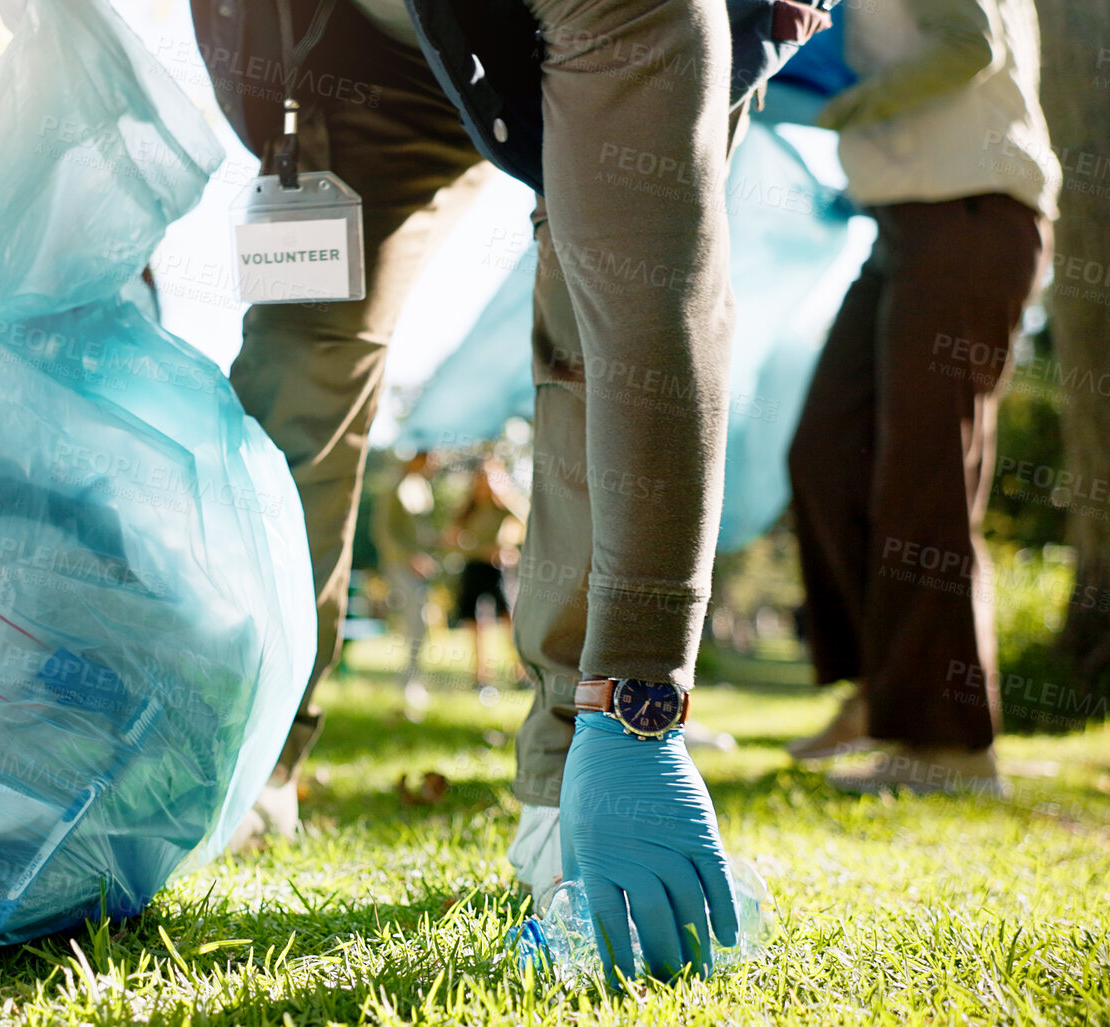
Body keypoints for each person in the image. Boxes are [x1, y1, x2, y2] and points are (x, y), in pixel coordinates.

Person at [195, 0, 773, 983]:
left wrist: (634, 699)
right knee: (300, 362)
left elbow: (651, 315)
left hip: (614, 34)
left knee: (593, 331)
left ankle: (567, 772)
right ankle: (242, 750)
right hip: (359, 48)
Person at [784, 0, 1058, 794]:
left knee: (925, 470)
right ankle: (879, 694)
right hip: (905, 223)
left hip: (973, 214)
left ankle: (950, 747)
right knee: (826, 452)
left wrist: (842, 107)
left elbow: (965, 47)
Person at [443, 456, 526, 688]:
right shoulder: (467, 510)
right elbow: (451, 537)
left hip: (498, 570)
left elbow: (527, 524)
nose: (483, 484)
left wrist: (509, 551)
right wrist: (470, 546)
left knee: (509, 620)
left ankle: (520, 673)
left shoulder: (503, 508)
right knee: (476, 623)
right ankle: (481, 676)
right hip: (473, 568)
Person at [370, 450, 440, 715]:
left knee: (420, 624)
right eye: (430, 458)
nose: (434, 464)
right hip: (401, 566)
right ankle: (407, 683)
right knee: (414, 621)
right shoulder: (394, 487)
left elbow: (422, 532)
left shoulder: (422, 487)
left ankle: (413, 679)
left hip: (421, 566)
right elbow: (384, 531)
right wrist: (409, 558)